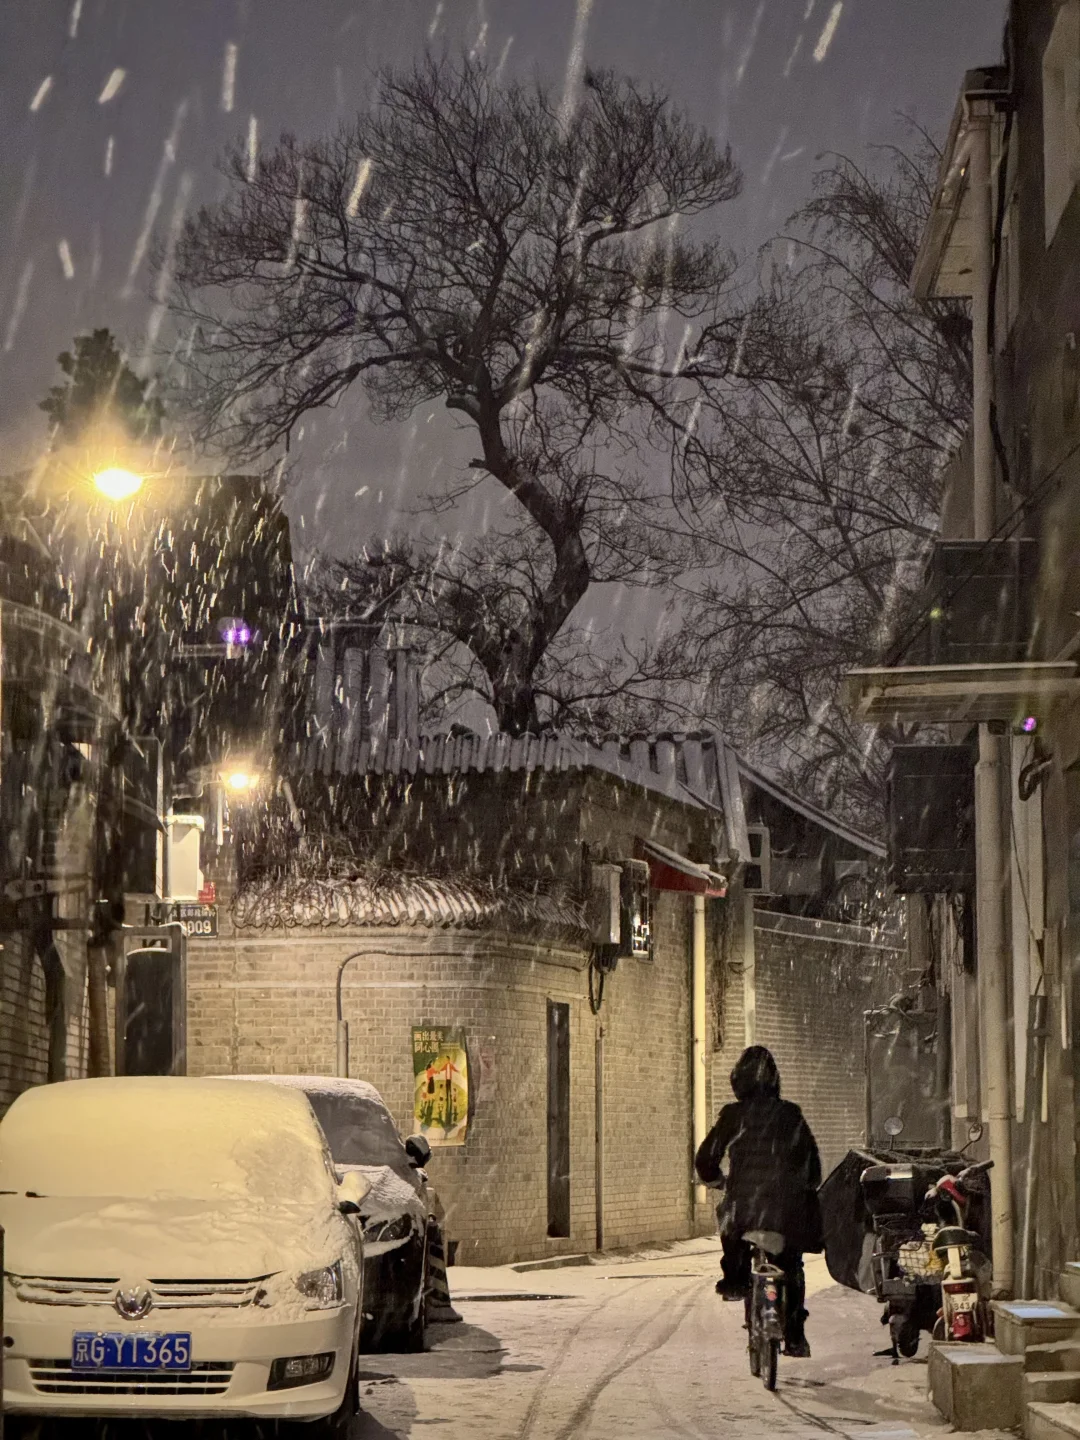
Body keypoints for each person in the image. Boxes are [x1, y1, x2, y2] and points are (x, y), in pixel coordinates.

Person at [695, 1045, 823, 1358]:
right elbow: (812, 1163)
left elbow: (705, 1158)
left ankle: (736, 1279)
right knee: (791, 1265)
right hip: (785, 1209)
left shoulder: (733, 1115)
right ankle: (795, 1335)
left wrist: (716, 1180)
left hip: (744, 1206)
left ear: (738, 1080)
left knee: (727, 1221)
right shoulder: (790, 1114)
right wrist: (802, 1187)